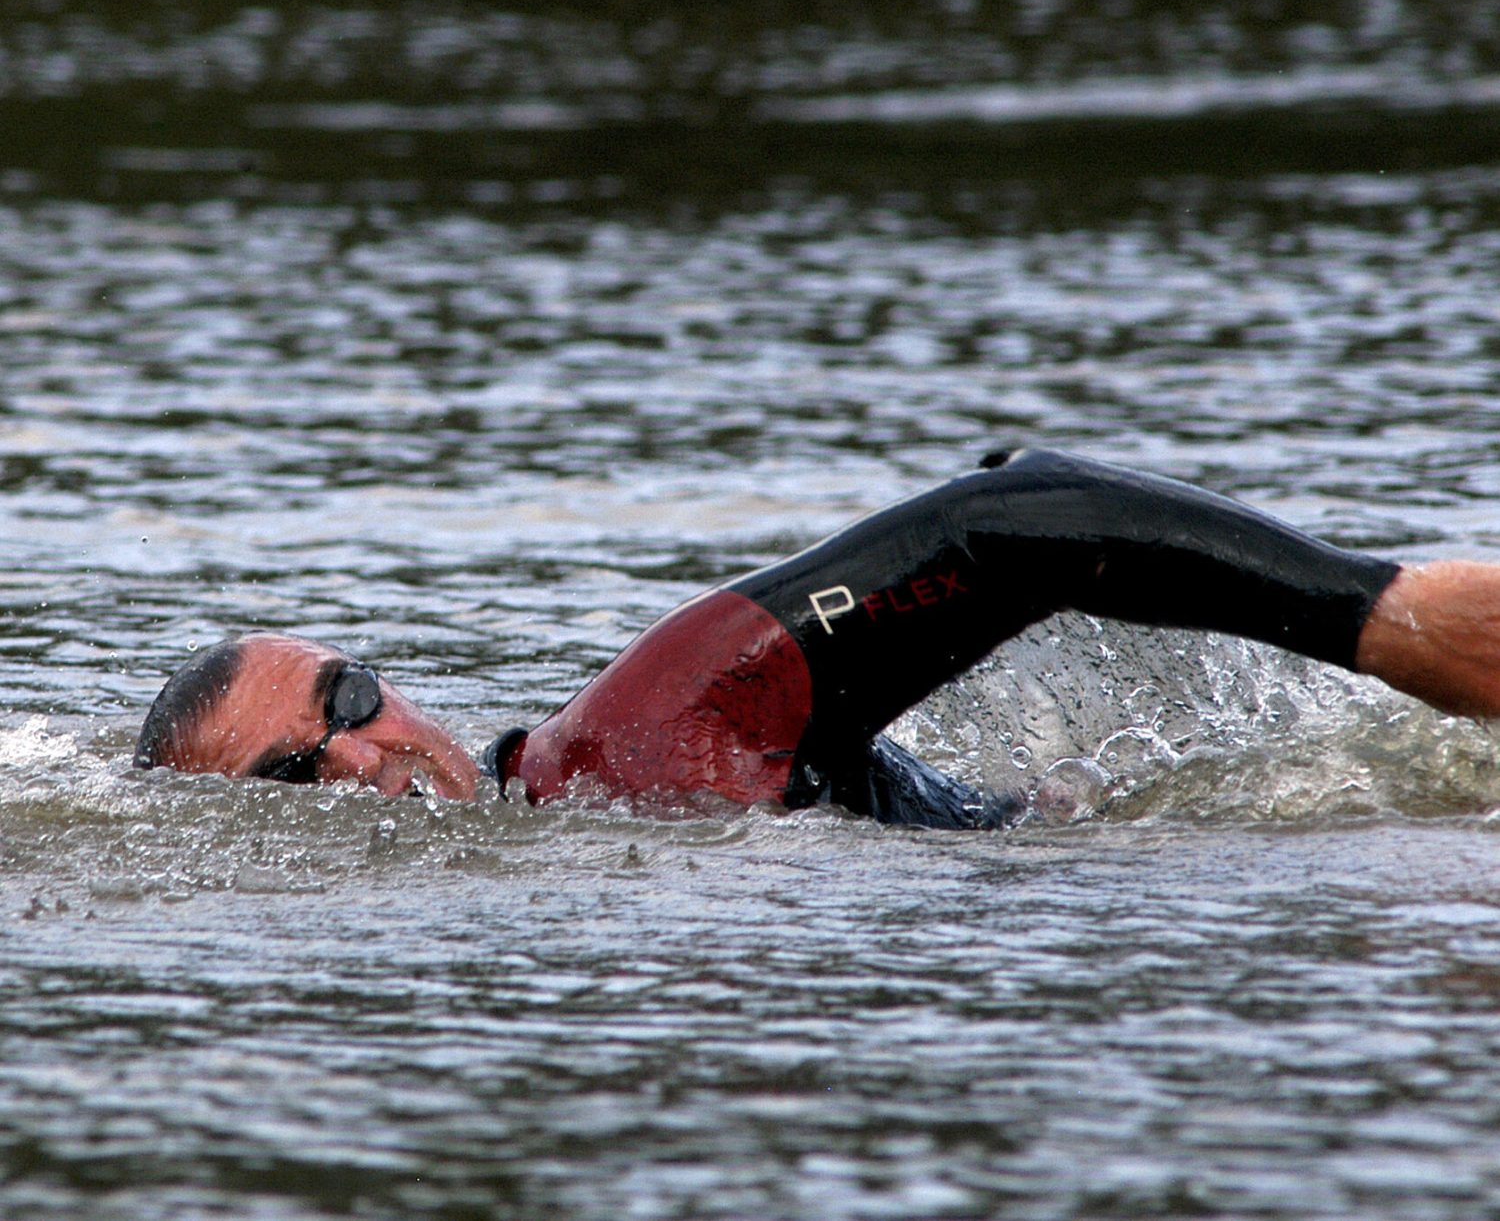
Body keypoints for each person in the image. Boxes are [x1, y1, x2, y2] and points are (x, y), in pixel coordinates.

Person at [133, 448, 1500, 827]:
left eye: (347, 696)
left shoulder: (626, 735)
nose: (359, 757)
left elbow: (1001, 523)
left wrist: (1384, 622)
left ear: (393, 682)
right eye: (286, 779)